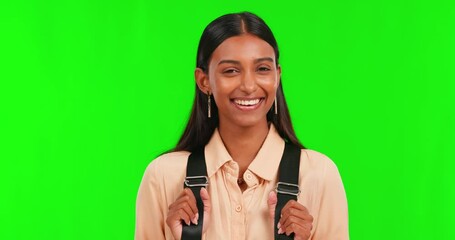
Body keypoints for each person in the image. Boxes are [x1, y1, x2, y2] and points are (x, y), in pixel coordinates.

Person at [135, 12, 349, 240]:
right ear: (204, 81)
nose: (248, 86)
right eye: (231, 71)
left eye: (262, 69)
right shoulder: (163, 177)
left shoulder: (319, 175)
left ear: (277, 77)